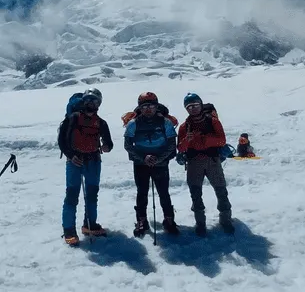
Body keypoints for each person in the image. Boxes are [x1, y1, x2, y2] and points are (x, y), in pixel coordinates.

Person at [57, 88, 113, 245]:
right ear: (83, 102)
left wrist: (106, 146)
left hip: (93, 161)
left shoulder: (101, 123)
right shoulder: (73, 118)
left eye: (94, 101)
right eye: (88, 101)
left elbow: (109, 142)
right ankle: (69, 230)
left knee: (92, 195)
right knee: (72, 195)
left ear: (99, 104)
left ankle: (89, 225)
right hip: (75, 161)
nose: (91, 104)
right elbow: (62, 140)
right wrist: (71, 155)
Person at [176, 92, 234, 236]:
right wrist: (188, 141)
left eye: (195, 105)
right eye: (189, 107)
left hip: (211, 160)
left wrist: (203, 139)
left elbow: (222, 140)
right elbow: (180, 148)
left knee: (221, 191)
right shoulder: (184, 127)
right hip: (195, 162)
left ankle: (225, 220)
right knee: (196, 194)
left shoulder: (213, 121)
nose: (193, 109)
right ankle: (200, 223)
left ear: (201, 105)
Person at [123, 92, 180, 237]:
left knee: (163, 192)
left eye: (151, 106)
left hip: (156, 163)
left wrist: (156, 158)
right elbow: (128, 145)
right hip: (144, 163)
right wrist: (145, 158)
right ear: (140, 108)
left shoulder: (165, 122)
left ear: (156, 106)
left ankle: (168, 219)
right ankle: (142, 220)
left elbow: (172, 144)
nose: (148, 109)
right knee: (142, 192)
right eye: (145, 106)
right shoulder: (133, 123)